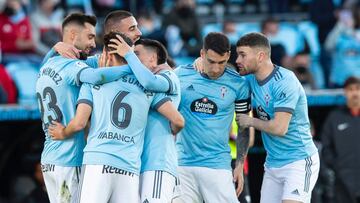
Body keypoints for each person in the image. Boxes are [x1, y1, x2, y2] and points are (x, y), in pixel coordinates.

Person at [49, 32, 184, 203]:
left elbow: (79, 123)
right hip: (129, 168)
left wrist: (62, 133)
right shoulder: (148, 87)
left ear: (106, 54)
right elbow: (178, 120)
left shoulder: (93, 82)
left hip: (97, 161)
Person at [36, 13, 142, 203]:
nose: (94, 44)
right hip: (69, 157)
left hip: (51, 157)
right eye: (90, 37)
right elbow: (96, 77)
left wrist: (52, 50)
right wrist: (135, 68)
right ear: (73, 35)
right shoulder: (74, 67)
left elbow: (105, 59)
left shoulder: (48, 65)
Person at [235, 32, 319, 203]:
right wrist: (198, 63)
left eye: (243, 55)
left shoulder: (285, 81)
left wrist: (250, 121)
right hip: (273, 164)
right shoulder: (249, 80)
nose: (237, 60)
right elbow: (223, 74)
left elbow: (280, 128)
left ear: (260, 56)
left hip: (298, 161)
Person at [175, 32, 251, 203]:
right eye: (211, 62)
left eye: (221, 62)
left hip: (218, 167)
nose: (216, 69)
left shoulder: (239, 84)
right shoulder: (179, 75)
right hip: (182, 165)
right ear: (202, 54)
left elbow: (244, 127)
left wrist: (239, 164)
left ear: (229, 56)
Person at [321, 76, 360, 203]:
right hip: (343, 182)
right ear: (345, 92)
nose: (354, 93)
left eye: (358, 89)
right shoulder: (334, 117)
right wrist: (338, 167)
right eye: (350, 89)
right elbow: (326, 147)